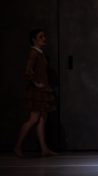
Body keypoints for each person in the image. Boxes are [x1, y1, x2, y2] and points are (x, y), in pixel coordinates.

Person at [14, 28, 57, 157]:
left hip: (43, 90)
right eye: (40, 37)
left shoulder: (40, 53)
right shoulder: (34, 53)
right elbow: (27, 71)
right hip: (37, 91)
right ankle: (17, 146)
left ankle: (44, 149)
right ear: (34, 40)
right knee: (33, 119)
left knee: (42, 119)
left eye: (44, 36)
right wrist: (35, 83)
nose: (44, 39)